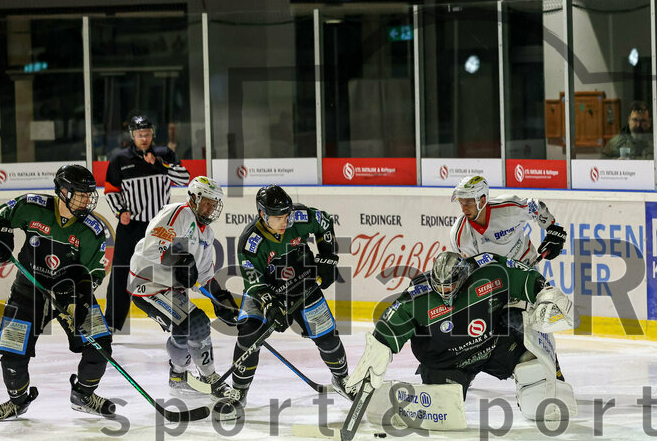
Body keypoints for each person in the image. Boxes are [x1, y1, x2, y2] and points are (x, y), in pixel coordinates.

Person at [344, 251, 577, 422]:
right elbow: (388, 327)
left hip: (491, 344)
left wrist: (545, 293)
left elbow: (526, 277)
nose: (445, 293)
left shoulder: (490, 270)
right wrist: (377, 350)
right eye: (440, 288)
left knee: (528, 351)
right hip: (446, 362)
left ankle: (550, 385)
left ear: (464, 276)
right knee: (442, 415)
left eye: (450, 287)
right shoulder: (417, 297)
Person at [0, 164, 116, 421]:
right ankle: (18, 401)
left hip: (69, 294)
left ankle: (84, 395)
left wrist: (80, 302)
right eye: (81, 194)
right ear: (63, 191)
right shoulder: (32, 205)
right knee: (12, 354)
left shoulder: (91, 230)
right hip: (28, 290)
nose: (87, 200)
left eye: (89, 195)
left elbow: (91, 275)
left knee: (100, 344)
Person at [211, 185, 349, 421]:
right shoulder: (250, 242)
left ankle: (343, 379)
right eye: (278, 217)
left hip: (304, 283)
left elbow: (324, 221)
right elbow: (254, 283)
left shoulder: (297, 217)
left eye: (286, 215)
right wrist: (271, 306)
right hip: (266, 292)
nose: (284, 221)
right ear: (263, 215)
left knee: (327, 336)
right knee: (248, 335)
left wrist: (328, 258)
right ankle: (239, 392)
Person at [127, 176, 240, 398]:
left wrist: (220, 297)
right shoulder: (178, 213)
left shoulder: (206, 233)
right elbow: (152, 247)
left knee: (192, 326)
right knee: (194, 323)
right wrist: (179, 259)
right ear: (193, 198)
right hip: (148, 284)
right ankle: (189, 374)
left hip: (171, 288)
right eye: (206, 202)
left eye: (214, 204)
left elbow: (204, 275)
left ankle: (185, 375)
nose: (210, 209)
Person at [103, 114, 190, 333]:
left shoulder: (164, 154)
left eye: (147, 134)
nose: (144, 138)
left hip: (163, 225)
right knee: (121, 272)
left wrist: (161, 166)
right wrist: (120, 211)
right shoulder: (119, 158)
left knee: (176, 270)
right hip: (132, 226)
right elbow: (111, 190)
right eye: (140, 134)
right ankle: (112, 322)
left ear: (152, 134)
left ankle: (181, 316)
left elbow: (184, 178)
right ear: (132, 135)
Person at [449, 175, 567, 265]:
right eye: (461, 202)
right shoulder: (459, 235)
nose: (464, 208)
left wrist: (552, 229)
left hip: (525, 264)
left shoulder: (509, 209)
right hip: (494, 279)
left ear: (482, 200)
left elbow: (536, 207)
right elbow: (468, 267)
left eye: (469, 202)